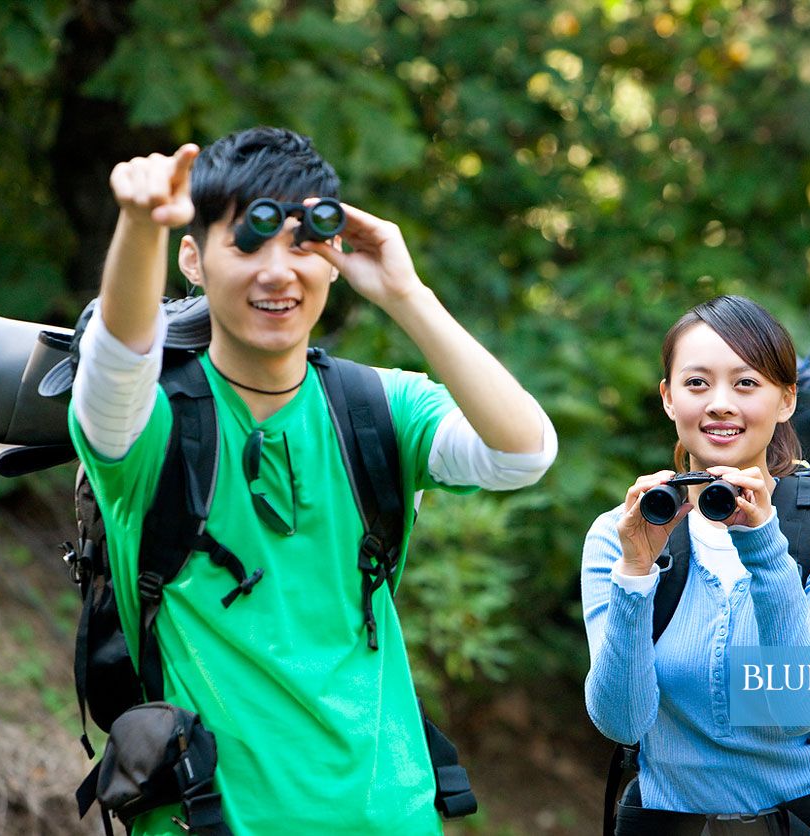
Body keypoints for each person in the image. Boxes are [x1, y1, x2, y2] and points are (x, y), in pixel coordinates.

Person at [67, 126, 557, 834]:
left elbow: (521, 453)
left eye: (303, 242)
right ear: (193, 259)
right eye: (246, 240)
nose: (277, 270)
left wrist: (405, 292)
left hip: (391, 815)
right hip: (213, 820)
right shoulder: (150, 424)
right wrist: (140, 225)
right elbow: (116, 362)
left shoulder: (376, 407)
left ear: (333, 258)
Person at [581, 295, 810, 835]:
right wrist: (635, 575)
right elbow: (622, 721)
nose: (720, 403)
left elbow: (797, 710)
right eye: (697, 384)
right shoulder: (618, 535)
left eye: (746, 383)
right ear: (669, 399)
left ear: (786, 399)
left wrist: (765, 546)